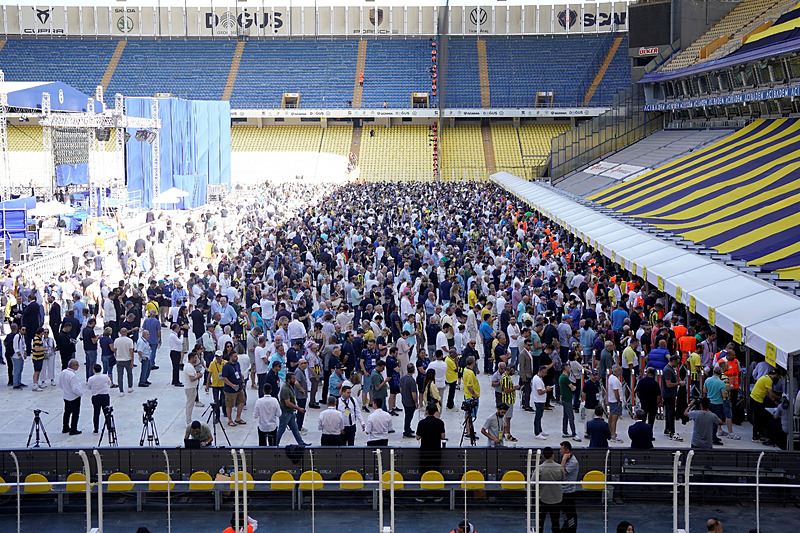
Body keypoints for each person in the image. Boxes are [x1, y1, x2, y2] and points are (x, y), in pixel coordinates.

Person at [275, 373, 310, 446]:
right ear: (288, 380)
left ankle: (301, 443)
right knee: (281, 430)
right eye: (293, 379)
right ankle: (275, 444)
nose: (295, 380)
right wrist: (299, 408)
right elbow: (287, 403)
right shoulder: (285, 389)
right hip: (285, 413)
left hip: (290, 413)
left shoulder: (290, 387)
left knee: (295, 430)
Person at [538, 447, 564, 533]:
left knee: (540, 523)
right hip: (557, 499)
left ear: (543, 457)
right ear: (553, 456)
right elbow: (562, 479)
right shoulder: (559, 467)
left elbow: (533, 483)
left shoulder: (540, 468)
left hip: (543, 498)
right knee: (556, 523)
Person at [750, 369, 779, 442]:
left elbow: (767, 393)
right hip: (757, 400)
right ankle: (755, 437)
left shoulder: (765, 377)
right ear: (776, 375)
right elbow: (771, 393)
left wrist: (774, 401)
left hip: (755, 398)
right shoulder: (769, 381)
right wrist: (779, 398)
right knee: (758, 418)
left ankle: (759, 434)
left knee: (760, 417)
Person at [416, 403, 446, 473]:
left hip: (425, 451)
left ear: (426, 411)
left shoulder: (422, 423)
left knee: (424, 470)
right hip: (436, 450)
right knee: (435, 470)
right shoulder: (440, 423)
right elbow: (443, 436)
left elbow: (418, 437)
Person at [662, 355, 684, 441]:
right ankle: (672, 431)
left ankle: (667, 429)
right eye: (677, 362)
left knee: (668, 412)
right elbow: (668, 384)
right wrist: (679, 384)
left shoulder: (669, 369)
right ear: (674, 361)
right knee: (671, 413)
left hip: (669, 394)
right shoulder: (668, 370)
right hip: (669, 395)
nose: (678, 364)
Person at [221, 352, 247, 426]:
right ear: (231, 357)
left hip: (239, 387)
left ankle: (238, 418)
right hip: (230, 390)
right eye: (235, 356)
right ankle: (230, 420)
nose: (236, 358)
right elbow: (224, 378)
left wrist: (242, 382)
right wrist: (232, 385)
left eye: (237, 356)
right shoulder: (226, 366)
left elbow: (239, 373)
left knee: (242, 401)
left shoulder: (237, 364)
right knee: (229, 405)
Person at [560, 440, 580, 533]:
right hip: (563, 490)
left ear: (567, 450)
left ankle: (572, 529)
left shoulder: (573, 462)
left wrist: (563, 460)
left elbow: (562, 473)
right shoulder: (567, 459)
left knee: (570, 512)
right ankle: (565, 526)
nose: (560, 451)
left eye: (561, 449)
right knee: (565, 511)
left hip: (569, 491)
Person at [87, 363, 112, 433]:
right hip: (105, 396)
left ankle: (96, 428)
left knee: (96, 413)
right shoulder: (105, 377)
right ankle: (109, 427)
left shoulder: (91, 378)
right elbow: (109, 383)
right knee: (107, 413)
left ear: (94, 370)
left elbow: (89, 387)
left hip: (96, 396)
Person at [60, 359, 83, 435]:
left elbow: (60, 384)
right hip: (74, 397)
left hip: (66, 396)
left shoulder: (63, 372)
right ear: (73, 366)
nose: (78, 366)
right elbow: (74, 388)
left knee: (67, 412)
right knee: (75, 413)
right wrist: (80, 394)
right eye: (77, 365)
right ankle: (73, 429)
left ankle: (65, 427)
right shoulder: (72, 376)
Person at [558, 364, 579, 441]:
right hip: (567, 399)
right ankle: (574, 433)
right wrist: (575, 387)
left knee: (566, 416)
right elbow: (572, 388)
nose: (570, 369)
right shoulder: (565, 378)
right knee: (571, 417)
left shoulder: (562, 377)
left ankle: (565, 431)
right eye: (569, 368)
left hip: (565, 398)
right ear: (565, 369)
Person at [112, 328, 135, 397]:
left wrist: (116, 356)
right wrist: (132, 360)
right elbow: (131, 351)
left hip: (119, 360)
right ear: (126, 332)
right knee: (129, 373)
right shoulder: (129, 340)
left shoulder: (117, 340)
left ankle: (121, 391)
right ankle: (130, 387)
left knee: (120, 376)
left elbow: (115, 349)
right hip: (127, 359)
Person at [183, 351, 203, 425]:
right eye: (195, 358)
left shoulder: (190, 366)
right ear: (192, 358)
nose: (196, 359)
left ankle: (189, 419)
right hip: (190, 388)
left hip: (192, 387)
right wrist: (198, 376)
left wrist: (196, 374)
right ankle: (188, 421)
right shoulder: (189, 367)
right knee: (190, 405)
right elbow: (192, 379)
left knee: (190, 404)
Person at [532, 365, 551, 440]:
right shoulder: (537, 380)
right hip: (539, 400)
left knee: (539, 416)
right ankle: (537, 433)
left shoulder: (538, 378)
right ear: (542, 372)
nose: (545, 374)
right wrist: (547, 390)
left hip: (540, 400)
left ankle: (540, 430)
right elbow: (539, 392)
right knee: (538, 417)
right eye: (545, 372)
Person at [399, 363, 418, 437]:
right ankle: (407, 431)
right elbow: (413, 393)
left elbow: (400, 388)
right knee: (409, 417)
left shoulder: (403, 378)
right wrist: (415, 402)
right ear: (413, 370)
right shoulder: (412, 381)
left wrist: (403, 394)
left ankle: (408, 428)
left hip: (404, 400)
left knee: (407, 415)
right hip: (410, 402)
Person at [582, 369, 601, 438]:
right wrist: (586, 401)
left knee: (595, 419)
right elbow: (584, 394)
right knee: (589, 419)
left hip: (596, 404)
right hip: (589, 405)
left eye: (596, 375)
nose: (595, 377)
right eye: (593, 375)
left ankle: (593, 432)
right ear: (590, 375)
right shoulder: (587, 384)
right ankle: (587, 432)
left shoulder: (597, 383)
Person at [607, 365, 624, 443]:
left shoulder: (611, 377)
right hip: (615, 401)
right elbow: (616, 391)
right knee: (614, 419)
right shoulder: (615, 380)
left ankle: (610, 432)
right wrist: (618, 400)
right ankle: (613, 435)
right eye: (620, 370)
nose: (621, 371)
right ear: (616, 371)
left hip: (611, 400)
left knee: (611, 418)